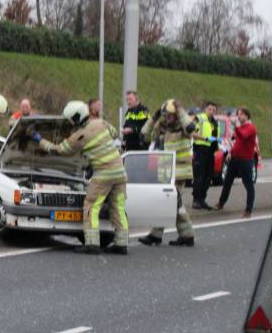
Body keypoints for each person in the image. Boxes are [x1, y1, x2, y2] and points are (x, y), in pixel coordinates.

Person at [31, 100, 129, 255]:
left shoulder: (79, 136)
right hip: (120, 172)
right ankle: (121, 244)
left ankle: (92, 244)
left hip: (103, 173)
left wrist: (40, 140)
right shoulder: (101, 123)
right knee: (118, 208)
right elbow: (114, 133)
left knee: (91, 206)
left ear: (75, 119)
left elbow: (59, 150)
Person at [138, 99, 197, 247]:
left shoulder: (184, 127)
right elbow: (144, 135)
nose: (167, 118)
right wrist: (155, 117)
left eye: (170, 115)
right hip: (165, 169)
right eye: (165, 115)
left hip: (180, 171)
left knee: (169, 202)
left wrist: (180, 109)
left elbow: (190, 128)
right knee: (170, 203)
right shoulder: (163, 126)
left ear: (177, 115)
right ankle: (185, 235)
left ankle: (157, 235)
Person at [217, 107, 257, 218]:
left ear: (247, 116)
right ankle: (221, 203)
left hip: (245, 161)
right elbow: (238, 143)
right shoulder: (240, 128)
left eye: (241, 114)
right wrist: (231, 152)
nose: (239, 116)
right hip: (235, 159)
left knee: (248, 185)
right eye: (238, 114)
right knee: (227, 182)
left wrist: (236, 127)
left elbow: (243, 137)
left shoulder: (250, 128)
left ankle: (248, 210)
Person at [191, 101, 219, 210]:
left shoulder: (214, 122)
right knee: (199, 177)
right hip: (200, 150)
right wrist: (205, 138)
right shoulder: (199, 118)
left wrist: (218, 145)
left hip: (210, 152)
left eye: (214, 110)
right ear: (205, 109)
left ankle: (202, 199)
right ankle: (196, 200)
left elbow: (215, 137)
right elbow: (191, 132)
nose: (212, 111)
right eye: (210, 109)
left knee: (208, 178)